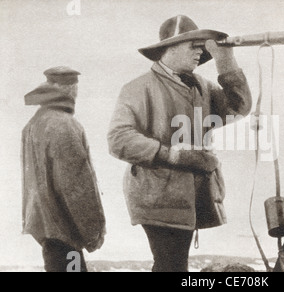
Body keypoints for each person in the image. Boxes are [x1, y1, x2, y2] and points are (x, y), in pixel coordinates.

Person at [107, 15, 252, 272]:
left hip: (188, 198)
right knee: (171, 263)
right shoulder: (138, 88)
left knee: (172, 264)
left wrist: (225, 60)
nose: (200, 52)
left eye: (202, 47)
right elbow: (119, 139)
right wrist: (174, 156)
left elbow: (238, 107)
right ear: (170, 47)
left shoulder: (202, 87)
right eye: (193, 46)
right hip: (158, 196)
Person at [21, 66, 106, 272]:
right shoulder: (64, 125)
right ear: (71, 88)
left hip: (46, 230)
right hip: (66, 233)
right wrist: (94, 233)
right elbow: (76, 186)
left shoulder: (33, 124)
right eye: (75, 85)